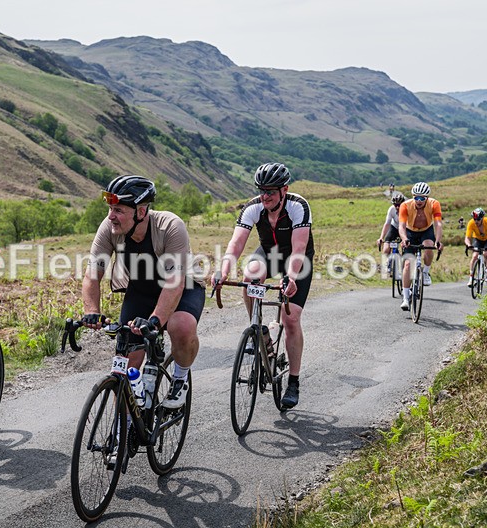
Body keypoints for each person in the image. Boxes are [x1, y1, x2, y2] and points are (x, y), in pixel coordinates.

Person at [82, 175, 205, 411]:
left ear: (141, 211)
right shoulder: (109, 228)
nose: (111, 216)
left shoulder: (171, 226)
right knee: (125, 366)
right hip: (141, 290)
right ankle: (124, 431)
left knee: (180, 325)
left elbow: (175, 282)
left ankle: (180, 378)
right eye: (110, 209)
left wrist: (156, 321)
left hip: (183, 288)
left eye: (118, 210)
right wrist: (92, 311)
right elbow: (92, 275)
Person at [214, 162, 314, 409]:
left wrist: (291, 277)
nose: (265, 196)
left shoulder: (298, 206)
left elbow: (299, 248)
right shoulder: (253, 207)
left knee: (291, 319)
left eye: (271, 191)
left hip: (296, 258)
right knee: (249, 278)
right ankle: (258, 329)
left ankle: (293, 381)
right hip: (270, 254)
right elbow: (236, 243)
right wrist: (223, 269)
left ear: (284, 190)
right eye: (262, 190)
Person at [398, 182, 443, 311]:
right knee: (407, 264)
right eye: (416, 197)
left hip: (426, 230)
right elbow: (401, 226)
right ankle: (406, 298)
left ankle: (426, 273)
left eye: (422, 198)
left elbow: (438, 224)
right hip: (410, 231)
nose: (419, 201)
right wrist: (404, 238)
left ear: (427, 198)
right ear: (413, 197)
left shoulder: (434, 204)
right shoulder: (405, 205)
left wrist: (438, 241)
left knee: (429, 247)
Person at [464, 208, 487, 287]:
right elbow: (467, 238)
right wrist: (469, 245)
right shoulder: (471, 223)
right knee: (475, 256)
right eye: (474, 219)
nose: (476, 221)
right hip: (477, 239)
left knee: (486, 253)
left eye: (478, 219)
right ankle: (471, 278)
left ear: (482, 218)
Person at [376, 192, 405, 275]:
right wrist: (381, 237)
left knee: (406, 249)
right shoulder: (391, 209)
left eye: (399, 205)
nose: (397, 207)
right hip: (394, 227)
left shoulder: (407, 209)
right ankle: (387, 264)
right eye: (396, 205)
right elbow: (387, 224)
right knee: (386, 248)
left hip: (405, 228)